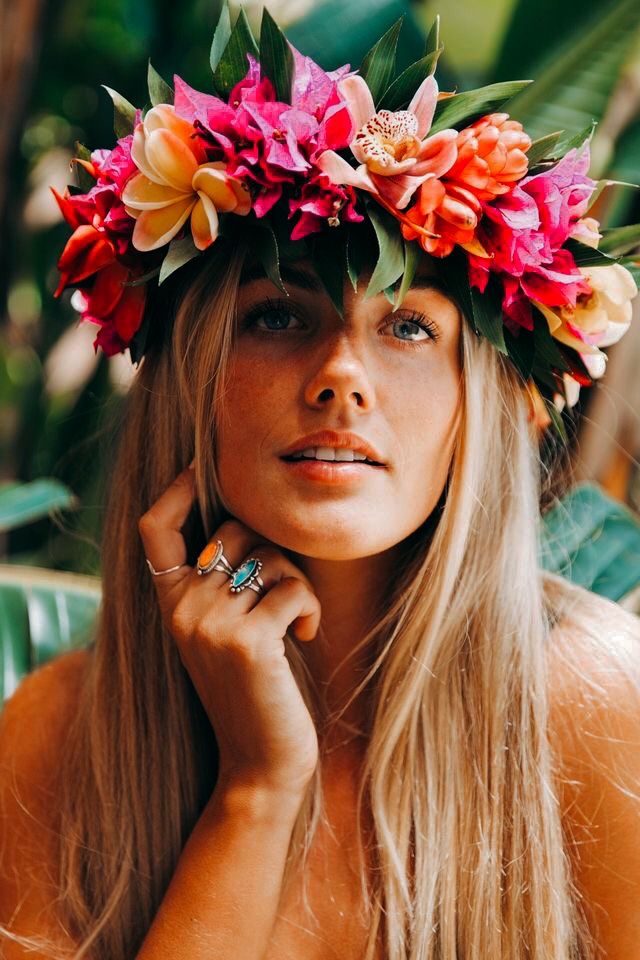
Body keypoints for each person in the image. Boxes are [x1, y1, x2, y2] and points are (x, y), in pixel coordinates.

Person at [1, 9, 640, 959]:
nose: (343, 372)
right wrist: (258, 790)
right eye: (278, 316)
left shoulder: (602, 704)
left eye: (412, 327)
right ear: (193, 375)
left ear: (488, 397)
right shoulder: (57, 739)